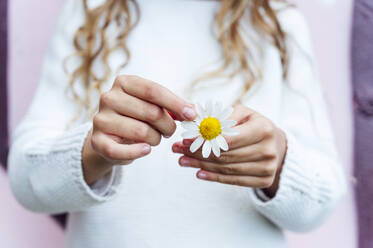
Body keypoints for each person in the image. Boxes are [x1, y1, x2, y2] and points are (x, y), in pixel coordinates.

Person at [8, 0, 346, 247]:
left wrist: (280, 165)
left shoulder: (277, 21)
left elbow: (324, 198)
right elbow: (25, 178)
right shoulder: (89, 14)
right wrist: (92, 152)